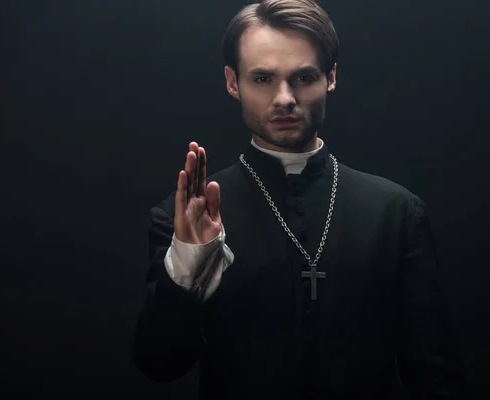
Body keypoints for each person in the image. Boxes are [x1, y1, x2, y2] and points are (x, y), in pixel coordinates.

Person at [132, 0, 467, 398]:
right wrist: (188, 266)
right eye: (262, 79)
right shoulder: (185, 216)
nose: (285, 97)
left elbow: (436, 376)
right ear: (232, 82)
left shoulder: (396, 212)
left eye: (303, 77)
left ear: (331, 77)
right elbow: (160, 365)